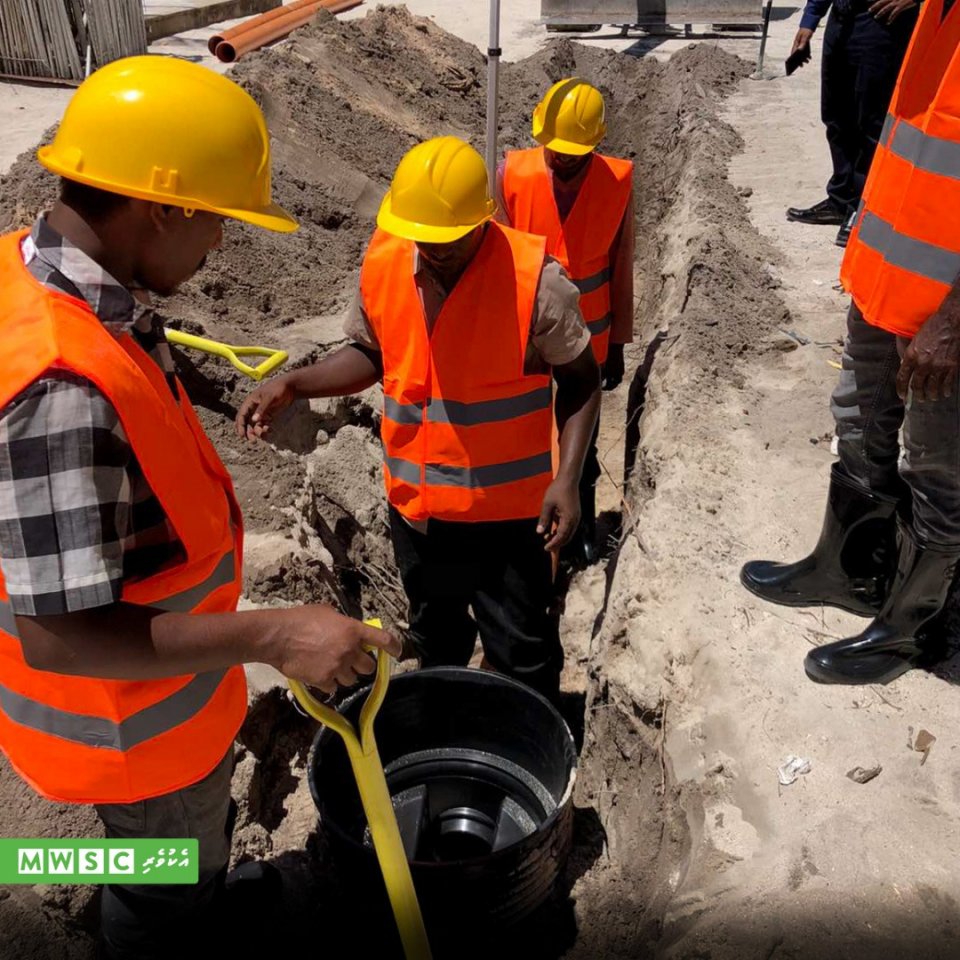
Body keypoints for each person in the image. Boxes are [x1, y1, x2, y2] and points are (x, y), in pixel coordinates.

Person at [0, 56, 399, 960]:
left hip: (168, 707)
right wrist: (275, 635)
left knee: (179, 857)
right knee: (160, 884)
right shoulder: (61, 386)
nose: (220, 244)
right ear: (163, 205)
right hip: (132, 733)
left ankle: (195, 897)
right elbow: (59, 635)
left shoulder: (36, 283)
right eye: (217, 219)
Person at [237, 136, 601, 702]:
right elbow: (371, 354)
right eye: (423, 239)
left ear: (482, 221)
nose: (433, 251)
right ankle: (446, 730)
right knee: (438, 643)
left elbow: (582, 380)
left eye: (449, 242)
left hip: (509, 522)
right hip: (419, 517)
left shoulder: (537, 283)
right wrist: (294, 383)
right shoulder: (385, 262)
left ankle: (528, 758)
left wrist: (568, 479)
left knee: (523, 654)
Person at [742, 0, 960, 685]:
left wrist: (954, 320)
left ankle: (918, 631)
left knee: (939, 471)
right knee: (858, 422)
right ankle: (850, 573)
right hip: (889, 281)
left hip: (944, 313)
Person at [497, 78, 634, 565]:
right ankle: (528, 531)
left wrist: (617, 342)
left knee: (582, 440)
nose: (563, 159)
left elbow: (621, 262)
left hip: (589, 338)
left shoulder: (616, 182)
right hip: (528, 335)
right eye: (555, 149)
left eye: (575, 152)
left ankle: (580, 531)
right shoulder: (512, 174)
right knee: (529, 439)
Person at [785, 0, 919, 246]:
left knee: (872, 122)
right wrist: (810, 19)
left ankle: (865, 207)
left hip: (882, 23)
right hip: (841, 22)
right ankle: (841, 200)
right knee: (837, 116)